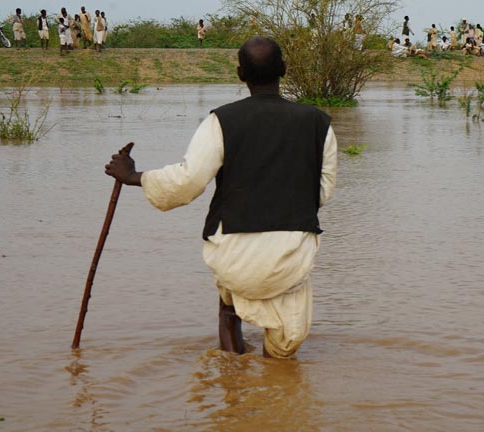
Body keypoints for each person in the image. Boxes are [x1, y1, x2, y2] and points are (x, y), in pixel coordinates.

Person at [104, 36, 337, 359]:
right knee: (283, 353)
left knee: (229, 306)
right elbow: (322, 191)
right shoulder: (319, 123)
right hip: (291, 256)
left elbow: (188, 182)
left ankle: (230, 369)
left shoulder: (220, 122)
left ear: (240, 75)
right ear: (284, 69)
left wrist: (133, 176)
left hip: (232, 254)